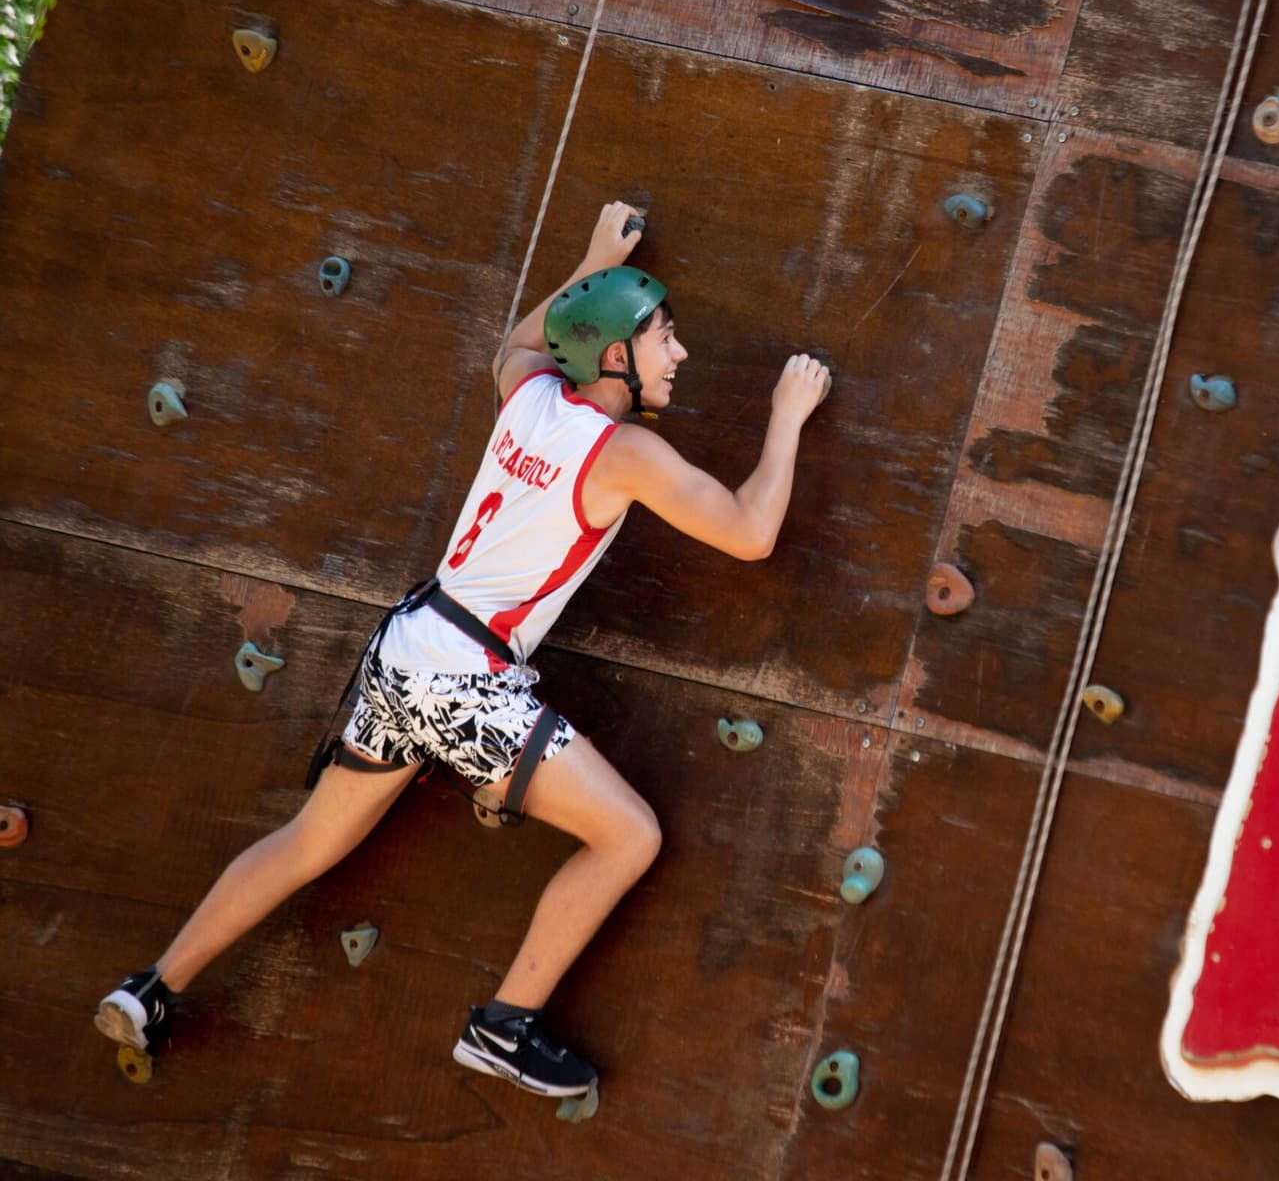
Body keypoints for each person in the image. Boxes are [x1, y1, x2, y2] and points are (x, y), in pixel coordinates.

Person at [93, 202, 833, 1098]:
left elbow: (516, 345)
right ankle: (504, 1025)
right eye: (663, 338)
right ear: (613, 358)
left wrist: (593, 260)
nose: (679, 355)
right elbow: (753, 532)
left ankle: (151, 988)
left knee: (308, 842)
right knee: (629, 836)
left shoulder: (528, 392)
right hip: (465, 680)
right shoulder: (625, 453)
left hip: (408, 647)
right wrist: (787, 414)